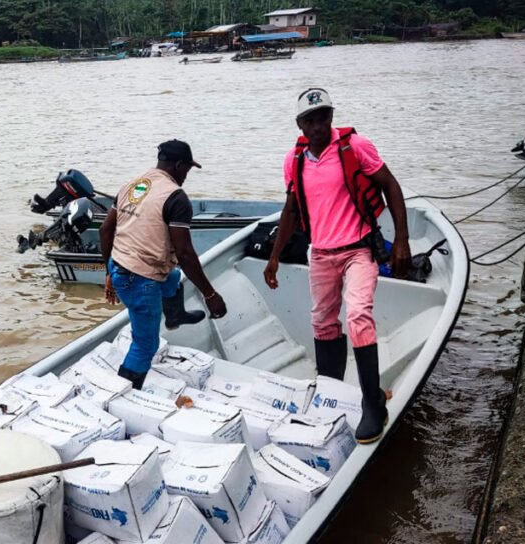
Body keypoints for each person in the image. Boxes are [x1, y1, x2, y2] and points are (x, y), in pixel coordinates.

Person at [263, 88, 411, 444]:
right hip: (322, 254)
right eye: (311, 120)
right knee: (323, 323)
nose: (319, 126)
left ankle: (372, 401)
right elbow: (292, 210)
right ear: (300, 124)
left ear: (331, 117)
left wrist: (402, 240)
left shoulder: (354, 147)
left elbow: (390, 185)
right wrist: (274, 256)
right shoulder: (294, 160)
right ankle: (331, 395)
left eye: (324, 117)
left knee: (359, 315)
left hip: (359, 249)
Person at [100, 140, 228, 390]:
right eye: (187, 170)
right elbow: (184, 252)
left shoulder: (132, 184)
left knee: (172, 277)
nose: (186, 176)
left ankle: (175, 315)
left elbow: (106, 230)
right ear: (178, 165)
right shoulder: (176, 197)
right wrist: (210, 294)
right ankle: (121, 395)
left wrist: (108, 271)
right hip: (141, 280)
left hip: (118, 267)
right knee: (145, 346)